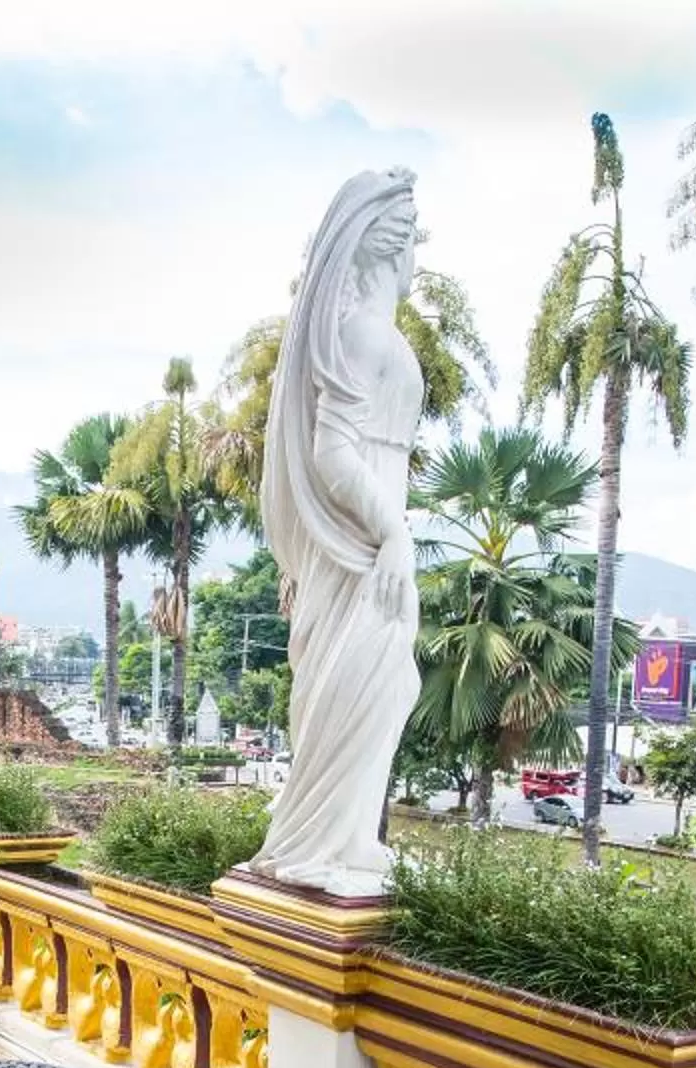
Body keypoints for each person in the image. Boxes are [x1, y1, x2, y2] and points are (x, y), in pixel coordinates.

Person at [246, 168, 424, 900]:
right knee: (357, 687)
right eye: (416, 239)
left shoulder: (372, 334)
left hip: (373, 543)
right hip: (362, 545)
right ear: (394, 246)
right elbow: (332, 450)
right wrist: (394, 535)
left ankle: (348, 835)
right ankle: (317, 837)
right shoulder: (362, 335)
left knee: (387, 687)